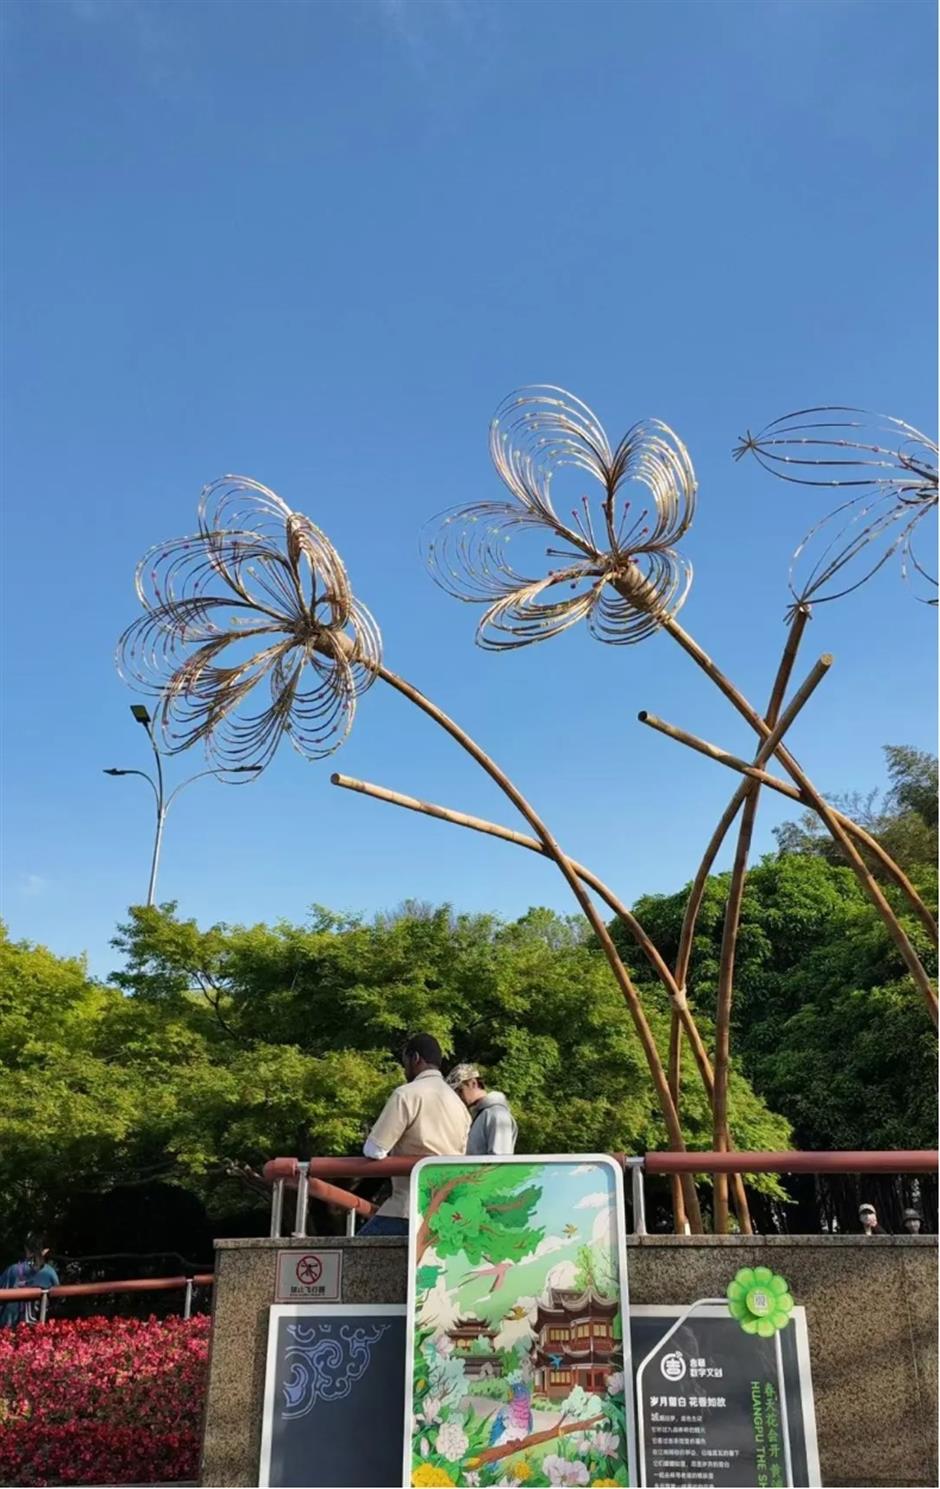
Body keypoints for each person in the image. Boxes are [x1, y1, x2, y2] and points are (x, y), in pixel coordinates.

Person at [359, 1034, 470, 1236]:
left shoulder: (407, 1094)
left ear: (415, 1058)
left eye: (405, 1061)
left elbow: (374, 1149)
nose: (404, 1068)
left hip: (408, 1207)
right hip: (447, 1211)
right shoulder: (459, 1106)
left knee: (353, 1258)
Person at [445, 1063, 518, 1155]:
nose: (458, 1098)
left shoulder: (497, 1114)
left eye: (459, 1091)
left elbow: (499, 1160)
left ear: (473, 1083)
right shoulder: (480, 1115)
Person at [0, 1236, 58, 1328]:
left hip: (8, 1327)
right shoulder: (49, 1272)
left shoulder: (12, 1270)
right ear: (45, 1251)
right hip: (37, 1325)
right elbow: (57, 1297)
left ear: (26, 1249)